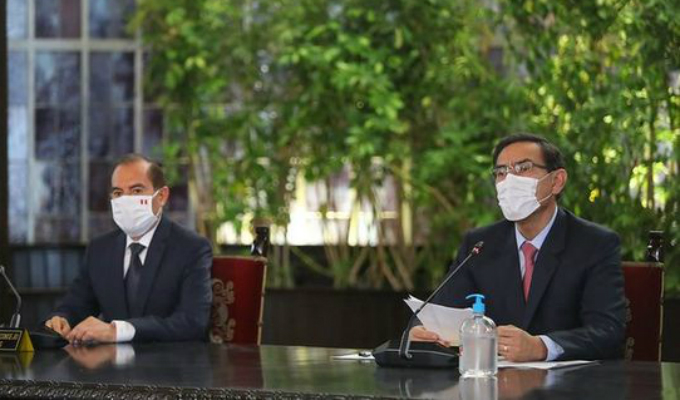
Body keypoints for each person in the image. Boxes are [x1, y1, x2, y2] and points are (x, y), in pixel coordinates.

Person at [411, 134, 626, 361]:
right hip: (491, 379)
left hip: (570, 381)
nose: (509, 180)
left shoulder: (594, 244)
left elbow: (608, 331)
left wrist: (542, 347)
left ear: (557, 181)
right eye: (501, 172)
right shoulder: (479, 245)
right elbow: (439, 310)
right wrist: (421, 331)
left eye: (523, 168)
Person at [45, 154, 213, 343]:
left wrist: (118, 331)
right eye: (118, 193)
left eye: (136, 190)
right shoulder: (99, 250)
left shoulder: (191, 248)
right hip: (109, 361)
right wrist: (62, 319)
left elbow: (193, 323)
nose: (126, 200)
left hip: (169, 360)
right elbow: (76, 305)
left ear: (162, 196)